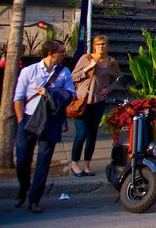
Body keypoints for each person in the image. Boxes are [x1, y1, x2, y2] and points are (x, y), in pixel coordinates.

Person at [14, 39, 76, 213]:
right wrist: (21, 121)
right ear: (50, 53)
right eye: (61, 51)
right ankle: (23, 188)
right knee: (23, 160)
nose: (65, 54)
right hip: (28, 119)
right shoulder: (29, 71)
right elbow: (18, 97)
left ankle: (34, 199)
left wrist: (52, 92)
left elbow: (72, 95)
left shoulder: (64, 73)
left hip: (50, 121)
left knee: (43, 162)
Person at [70, 34, 122, 177]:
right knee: (81, 134)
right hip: (82, 101)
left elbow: (118, 78)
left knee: (92, 135)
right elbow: (73, 77)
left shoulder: (111, 62)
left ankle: (87, 164)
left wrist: (108, 89)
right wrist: (88, 68)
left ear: (107, 46)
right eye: (98, 44)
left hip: (97, 101)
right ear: (94, 46)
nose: (101, 47)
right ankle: (74, 163)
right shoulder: (86, 59)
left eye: (103, 44)